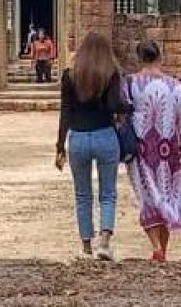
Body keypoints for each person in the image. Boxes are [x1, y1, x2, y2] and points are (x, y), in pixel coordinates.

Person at [55, 32, 130, 261]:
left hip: (78, 136)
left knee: (82, 195)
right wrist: (129, 108)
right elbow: (115, 104)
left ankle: (86, 245)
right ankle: (104, 241)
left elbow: (65, 112)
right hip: (105, 134)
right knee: (107, 193)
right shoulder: (110, 74)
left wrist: (59, 145)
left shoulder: (70, 75)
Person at [123, 40, 181, 264]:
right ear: (159, 57)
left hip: (142, 150)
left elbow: (122, 115)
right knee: (166, 195)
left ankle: (156, 247)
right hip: (168, 150)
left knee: (147, 197)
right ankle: (163, 248)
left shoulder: (131, 84)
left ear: (139, 58)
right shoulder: (174, 85)